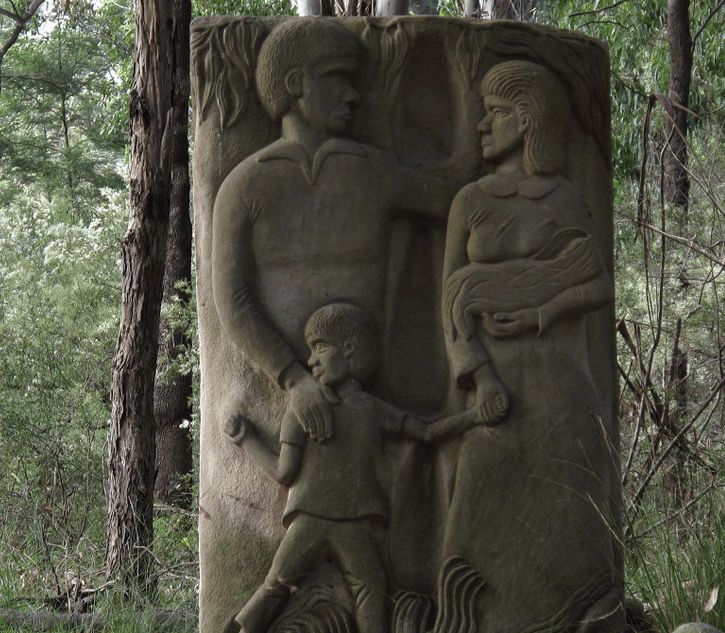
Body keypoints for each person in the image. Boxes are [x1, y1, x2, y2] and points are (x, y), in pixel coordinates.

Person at [210, 18, 465, 444]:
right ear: (295, 83)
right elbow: (233, 299)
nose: (352, 94)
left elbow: (457, 203)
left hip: (375, 403)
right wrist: (294, 380)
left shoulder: (372, 172)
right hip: (297, 407)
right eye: (336, 78)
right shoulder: (244, 187)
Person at [437, 60, 623, 633]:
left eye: (494, 114)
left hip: (561, 391)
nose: (481, 126)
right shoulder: (470, 201)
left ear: (526, 121)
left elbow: (597, 284)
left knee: (571, 514)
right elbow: (450, 300)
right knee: (476, 510)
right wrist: (480, 376)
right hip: (495, 392)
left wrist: (541, 312)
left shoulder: (564, 198)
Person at [224, 302, 491, 633]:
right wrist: (247, 439)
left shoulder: (371, 409)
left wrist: (474, 416)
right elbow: (285, 473)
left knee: (370, 588)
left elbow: (425, 432)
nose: (310, 360)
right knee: (280, 583)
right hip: (312, 518)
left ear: (349, 349)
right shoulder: (302, 411)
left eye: (319, 348)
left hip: (353, 520)